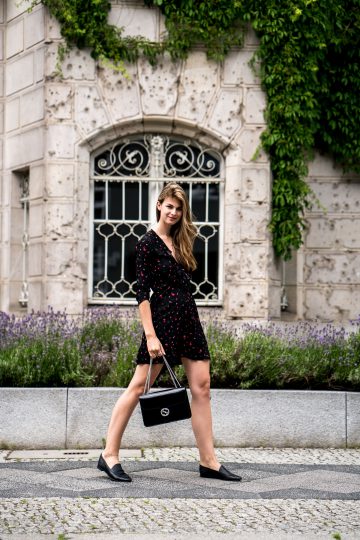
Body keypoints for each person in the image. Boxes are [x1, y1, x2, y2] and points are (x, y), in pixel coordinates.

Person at [97, 182, 242, 483]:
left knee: (202, 388)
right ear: (159, 205)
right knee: (138, 387)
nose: (174, 212)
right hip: (162, 322)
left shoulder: (183, 242)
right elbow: (141, 293)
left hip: (188, 320)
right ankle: (109, 454)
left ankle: (209, 461)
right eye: (170, 206)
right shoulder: (147, 244)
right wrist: (150, 335)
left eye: (179, 208)